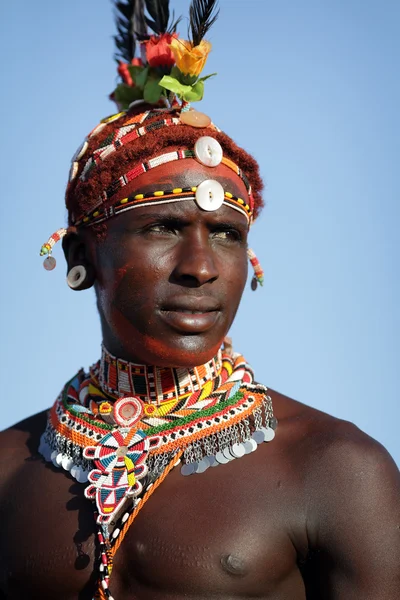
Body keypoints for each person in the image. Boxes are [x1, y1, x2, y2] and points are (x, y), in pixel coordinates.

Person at [0, 1, 399, 599]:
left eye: (227, 235)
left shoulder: (335, 469)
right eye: (162, 228)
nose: (201, 269)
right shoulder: (8, 470)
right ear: (82, 255)